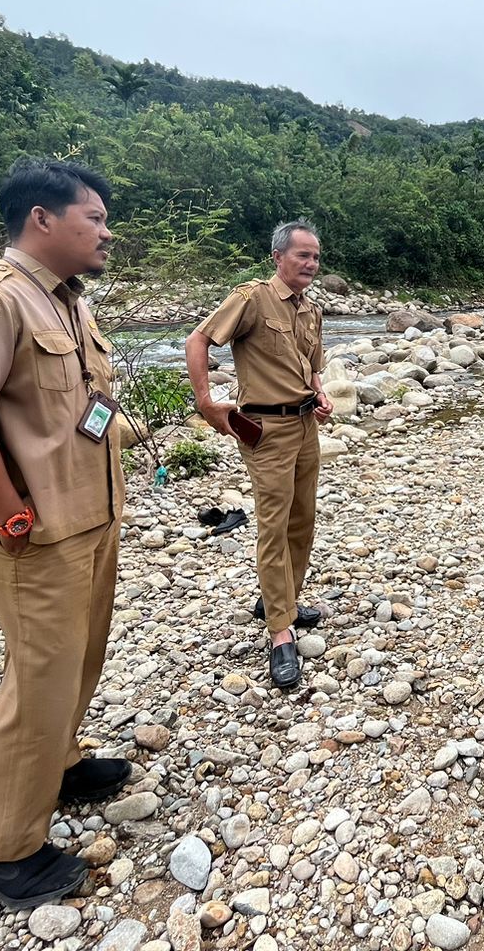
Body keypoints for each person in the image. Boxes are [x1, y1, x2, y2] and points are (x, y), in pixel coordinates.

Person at [0, 159, 129, 909]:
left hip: (88, 518)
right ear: (42, 219)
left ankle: (61, 762)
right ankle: (1, 851)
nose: (107, 231)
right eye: (95, 218)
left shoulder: (70, 303)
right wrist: (11, 513)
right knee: (37, 675)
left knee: (78, 658)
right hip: (33, 534)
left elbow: (81, 406)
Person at [185, 219, 332, 691]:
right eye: (301, 255)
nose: (310, 263)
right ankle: (280, 632)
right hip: (266, 430)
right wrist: (207, 403)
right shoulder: (251, 298)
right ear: (278, 257)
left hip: (306, 424)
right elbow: (198, 340)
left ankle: (280, 599)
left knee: (302, 519)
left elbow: (311, 368)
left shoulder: (311, 310)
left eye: (315, 256)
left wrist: (321, 393)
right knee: (273, 523)